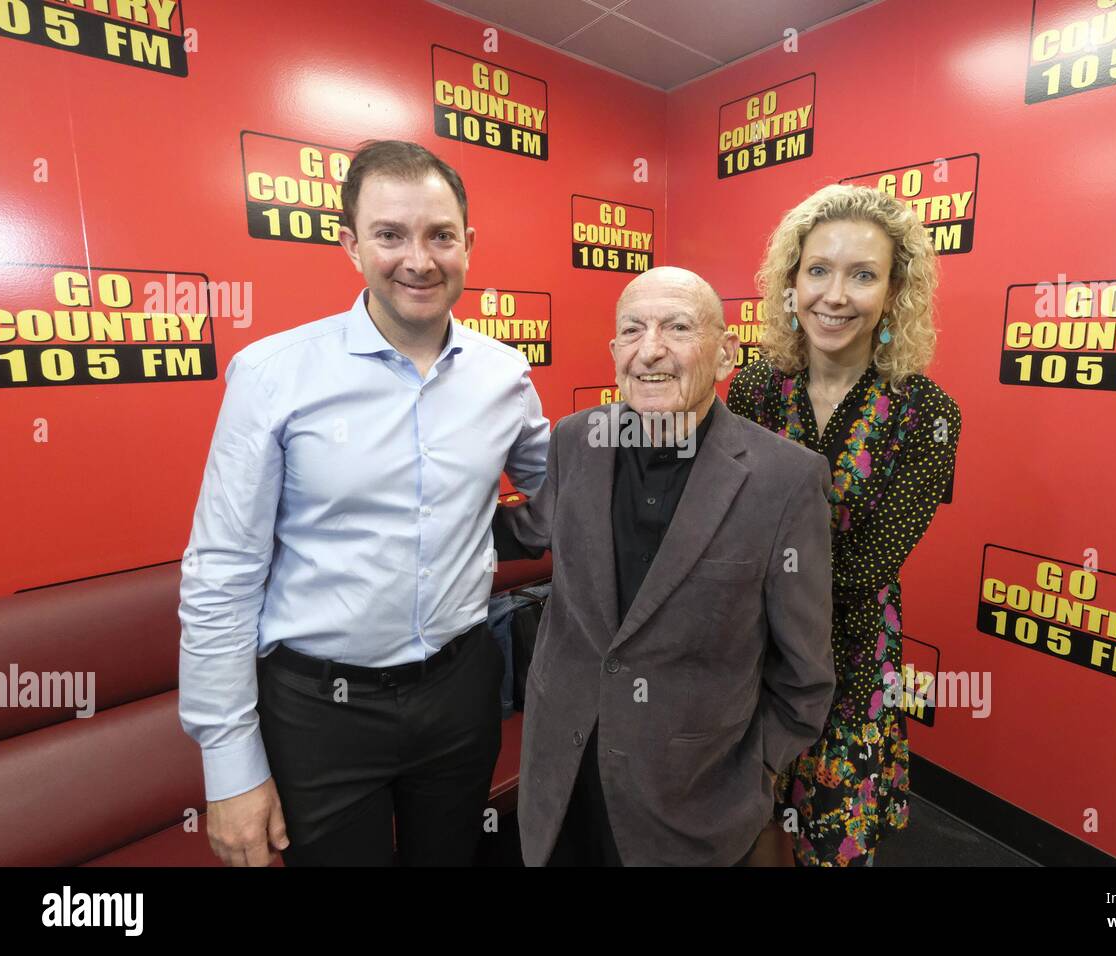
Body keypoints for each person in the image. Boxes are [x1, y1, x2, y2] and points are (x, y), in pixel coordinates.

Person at [178, 141, 548, 866]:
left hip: (461, 691)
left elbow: (561, 487)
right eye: (390, 234)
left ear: (468, 245)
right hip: (319, 709)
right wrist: (228, 768)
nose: (419, 259)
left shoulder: (505, 374)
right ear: (351, 245)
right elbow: (223, 571)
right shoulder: (272, 375)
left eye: (440, 235)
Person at [493, 266, 836, 866]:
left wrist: (751, 770)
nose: (651, 350)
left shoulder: (786, 478)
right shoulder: (576, 439)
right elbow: (532, 529)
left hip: (692, 798)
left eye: (678, 327)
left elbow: (805, 674)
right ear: (614, 351)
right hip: (562, 776)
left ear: (727, 353)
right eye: (632, 330)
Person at [728, 184, 962, 867]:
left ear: (893, 294)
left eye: (863, 275)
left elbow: (867, 566)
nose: (835, 295)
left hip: (851, 654)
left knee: (832, 839)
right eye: (819, 270)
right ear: (792, 281)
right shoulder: (752, 388)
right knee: (749, 833)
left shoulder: (929, 414)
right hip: (743, 648)